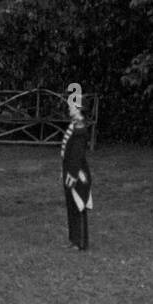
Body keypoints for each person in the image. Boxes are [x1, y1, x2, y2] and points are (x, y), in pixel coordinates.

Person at [61, 99, 92, 250]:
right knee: (72, 206)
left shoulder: (79, 128)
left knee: (78, 205)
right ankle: (74, 239)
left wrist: (72, 175)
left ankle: (80, 241)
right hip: (70, 171)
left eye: (71, 107)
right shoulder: (74, 125)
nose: (69, 109)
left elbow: (76, 156)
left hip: (77, 174)